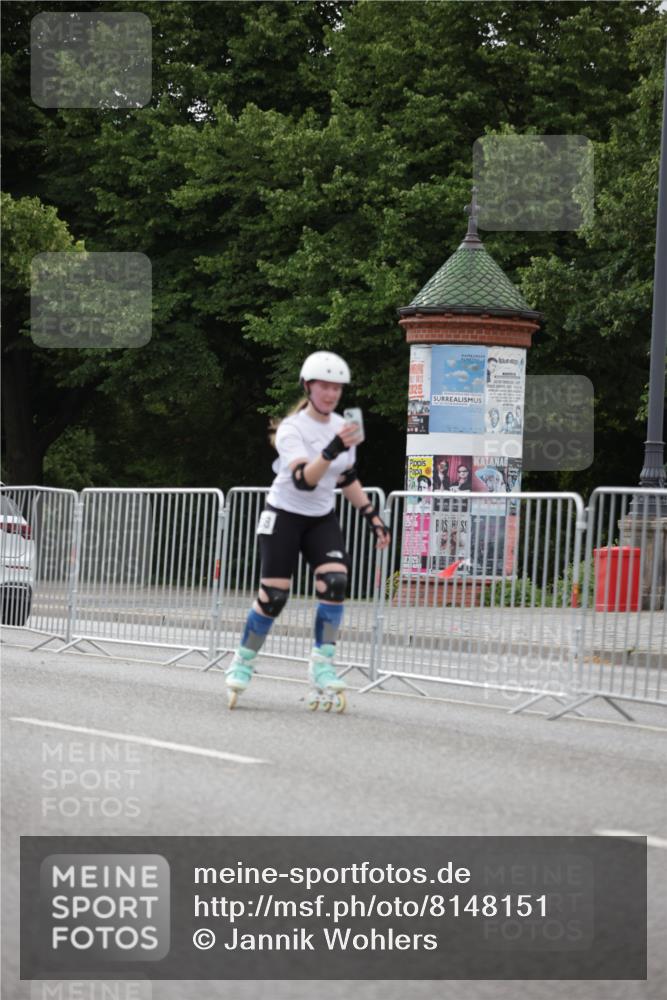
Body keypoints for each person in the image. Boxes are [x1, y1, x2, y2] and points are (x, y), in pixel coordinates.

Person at [225, 351, 390, 711]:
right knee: (274, 597)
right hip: (284, 514)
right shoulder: (291, 429)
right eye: (324, 386)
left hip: (320, 517)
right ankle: (243, 660)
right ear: (308, 386)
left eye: (337, 388)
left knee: (335, 583)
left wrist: (371, 516)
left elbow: (345, 477)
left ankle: (322, 666)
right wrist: (332, 450)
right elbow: (303, 480)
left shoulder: (344, 427)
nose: (331, 394)